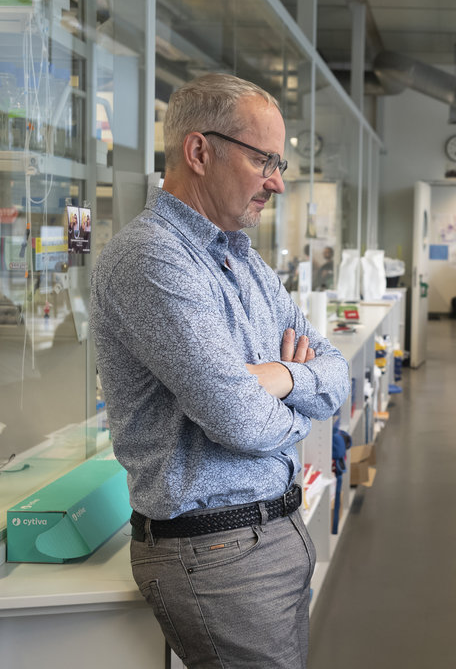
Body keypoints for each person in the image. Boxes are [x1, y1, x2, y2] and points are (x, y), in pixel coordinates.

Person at [91, 73, 350, 669]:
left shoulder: (244, 262)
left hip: (268, 535)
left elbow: (331, 369)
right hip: (217, 554)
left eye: (278, 163)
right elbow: (239, 420)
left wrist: (281, 377)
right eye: (264, 160)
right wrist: (289, 404)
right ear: (199, 151)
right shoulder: (152, 258)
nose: (278, 183)